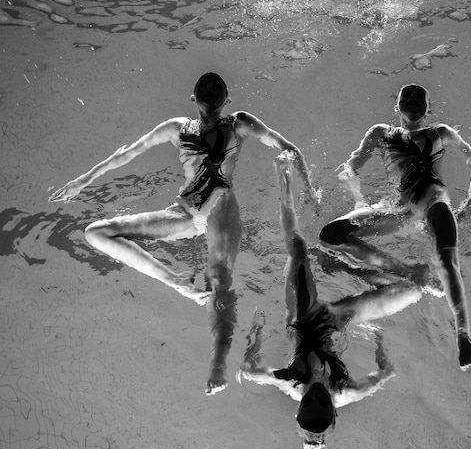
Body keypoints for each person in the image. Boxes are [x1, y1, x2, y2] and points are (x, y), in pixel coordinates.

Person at [49, 72, 319, 394]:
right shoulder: (177, 129)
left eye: (217, 85)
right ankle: (176, 282)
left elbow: (286, 146)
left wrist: (309, 187)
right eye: (203, 85)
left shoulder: (238, 123)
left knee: (219, 278)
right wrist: (83, 181)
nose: (210, 89)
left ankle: (218, 362)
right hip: (185, 212)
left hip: (221, 207)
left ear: (227, 99)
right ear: (192, 97)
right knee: (96, 232)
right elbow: (128, 154)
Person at [237, 153, 423, 449]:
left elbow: (247, 370)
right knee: (412, 289)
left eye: (308, 400)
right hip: (339, 319)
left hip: (304, 317)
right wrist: (378, 340)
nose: (317, 393)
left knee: (297, 248)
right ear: (334, 411)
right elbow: (387, 372)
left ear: (298, 409)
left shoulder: (289, 384)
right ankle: (343, 267)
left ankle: (283, 179)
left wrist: (256, 335)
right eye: (323, 401)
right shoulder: (349, 392)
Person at [318, 84, 471, 371]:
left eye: (418, 96)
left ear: (428, 108)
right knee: (331, 235)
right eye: (406, 96)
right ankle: (408, 272)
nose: (412, 99)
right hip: (396, 209)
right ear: (396, 106)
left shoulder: (441, 133)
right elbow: (350, 168)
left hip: (432, 200)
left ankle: (463, 334)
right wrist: (358, 198)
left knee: (447, 260)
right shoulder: (380, 133)